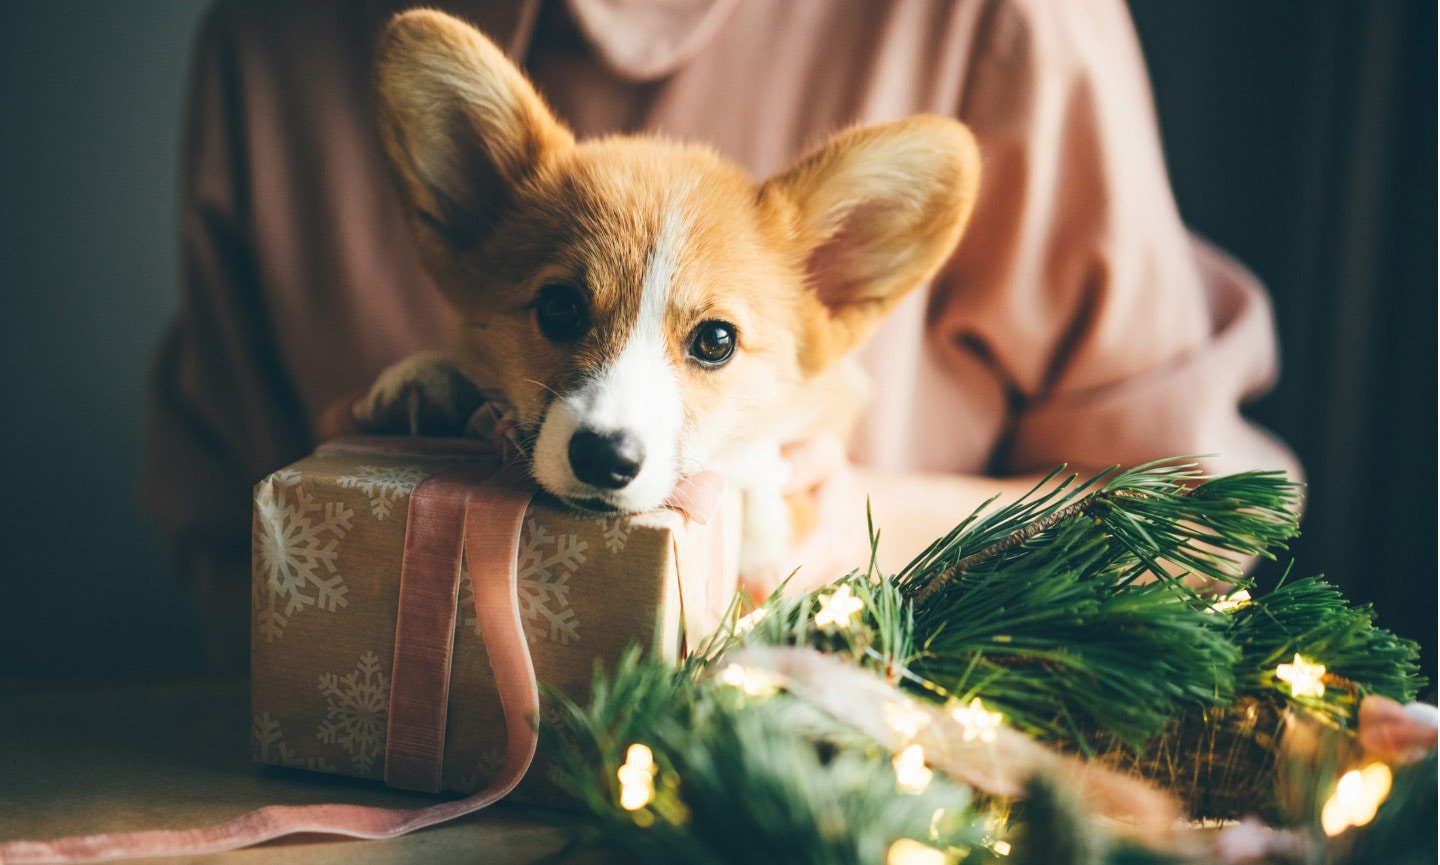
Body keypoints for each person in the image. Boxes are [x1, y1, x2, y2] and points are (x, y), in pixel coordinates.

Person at [142, 0, 1301, 672]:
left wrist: (839, 524)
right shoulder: (275, 34)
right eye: (560, 311)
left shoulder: (1003, 22)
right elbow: (223, 544)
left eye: (707, 343)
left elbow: (1202, 524)